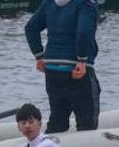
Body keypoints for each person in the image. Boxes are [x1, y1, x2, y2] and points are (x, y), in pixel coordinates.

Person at [25, 0, 100, 133]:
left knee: (58, 120)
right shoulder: (85, 4)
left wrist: (39, 56)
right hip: (77, 69)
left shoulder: (49, 3)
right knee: (87, 121)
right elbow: (83, 32)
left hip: (52, 70)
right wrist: (82, 59)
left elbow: (30, 28)